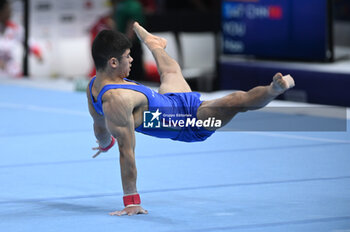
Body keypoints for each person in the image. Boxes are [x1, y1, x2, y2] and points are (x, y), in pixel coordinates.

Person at [86, 22, 295, 216]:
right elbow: (126, 151)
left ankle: (272, 89)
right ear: (113, 62)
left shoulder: (94, 85)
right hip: (190, 123)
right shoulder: (116, 99)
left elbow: (99, 123)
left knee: (171, 72)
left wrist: (105, 144)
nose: (132, 60)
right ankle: (272, 89)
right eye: (127, 56)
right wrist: (131, 201)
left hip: (171, 100)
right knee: (234, 101)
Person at [0, 0, 42, 77]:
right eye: (7, 10)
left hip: (11, 71)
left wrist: (38, 53)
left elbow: (30, 43)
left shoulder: (15, 28)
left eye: (10, 10)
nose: (10, 13)